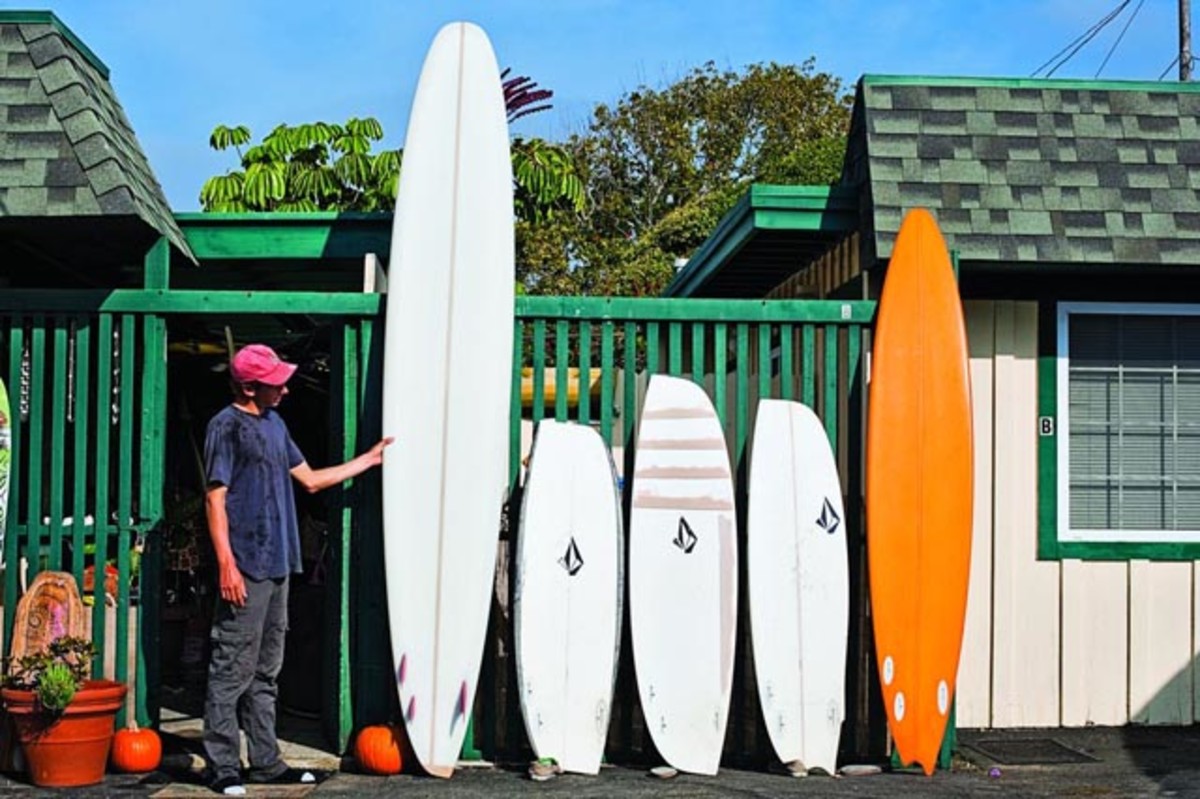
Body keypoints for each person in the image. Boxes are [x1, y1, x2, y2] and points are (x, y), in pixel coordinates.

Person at [202, 343, 392, 796]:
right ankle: (222, 766)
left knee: (267, 670)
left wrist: (368, 460)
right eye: (275, 382)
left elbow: (308, 479)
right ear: (249, 386)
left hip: (279, 563)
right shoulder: (225, 427)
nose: (285, 388)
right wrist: (226, 564)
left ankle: (265, 763)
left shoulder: (274, 423)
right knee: (232, 668)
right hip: (245, 564)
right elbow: (215, 499)